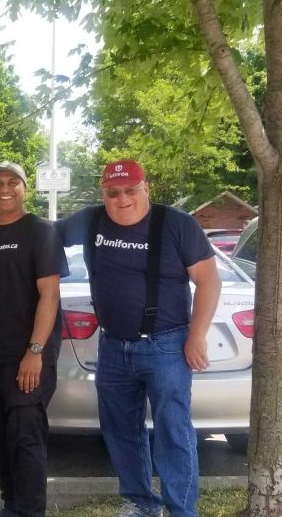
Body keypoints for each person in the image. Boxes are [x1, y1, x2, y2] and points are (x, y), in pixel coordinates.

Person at [54, 159, 220, 517]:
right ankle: (143, 505)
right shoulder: (91, 219)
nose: (122, 199)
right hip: (113, 346)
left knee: (173, 431)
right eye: (113, 192)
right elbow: (45, 235)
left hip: (167, 344)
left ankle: (182, 511)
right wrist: (3, 221)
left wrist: (198, 335)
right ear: (104, 194)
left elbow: (208, 280)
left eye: (130, 190)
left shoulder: (176, 224)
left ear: (146, 188)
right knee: (121, 431)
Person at [0, 161, 67, 517]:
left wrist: (35, 352)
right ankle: (12, 505)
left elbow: (49, 295)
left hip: (29, 356)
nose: (4, 189)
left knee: (26, 438)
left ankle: (31, 511)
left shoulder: (40, 232)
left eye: (12, 182)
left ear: (25, 188)